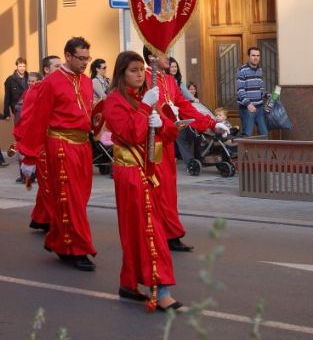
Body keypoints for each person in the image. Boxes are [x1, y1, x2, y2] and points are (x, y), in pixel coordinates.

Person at [104, 51, 182, 311]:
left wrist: (160, 122)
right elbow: (131, 134)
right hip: (130, 171)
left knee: (137, 228)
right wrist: (147, 109)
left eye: (141, 69)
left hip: (150, 169)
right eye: (133, 70)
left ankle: (128, 283)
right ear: (121, 73)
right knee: (150, 229)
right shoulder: (114, 101)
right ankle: (161, 291)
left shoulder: (145, 96)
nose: (140, 74)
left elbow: (171, 132)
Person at [16, 37, 96, 271]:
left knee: (79, 198)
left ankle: (60, 242)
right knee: (70, 199)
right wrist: (29, 156)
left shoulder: (88, 82)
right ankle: (79, 249)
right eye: (80, 58)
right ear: (68, 56)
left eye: (87, 58)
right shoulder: (51, 83)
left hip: (83, 146)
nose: (84, 63)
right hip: (60, 145)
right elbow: (38, 119)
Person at [143, 46, 229, 252]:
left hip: (167, 141)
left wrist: (210, 123)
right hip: (151, 143)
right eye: (164, 53)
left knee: (169, 190)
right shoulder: (142, 78)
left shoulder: (170, 80)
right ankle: (155, 233)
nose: (169, 57)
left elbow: (185, 107)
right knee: (156, 189)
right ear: (152, 57)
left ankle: (171, 233)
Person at [14, 56, 62, 229]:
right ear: (46, 70)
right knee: (50, 185)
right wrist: (28, 151)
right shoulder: (37, 89)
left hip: (61, 145)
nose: (62, 68)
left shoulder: (64, 86)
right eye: (57, 66)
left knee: (51, 185)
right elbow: (27, 120)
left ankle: (41, 217)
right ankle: (53, 222)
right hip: (42, 144)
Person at [236, 47, 269, 137]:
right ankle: (239, 151)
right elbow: (240, 90)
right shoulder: (242, 70)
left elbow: (260, 88)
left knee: (264, 134)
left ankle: (265, 152)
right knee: (247, 135)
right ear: (249, 56)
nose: (256, 58)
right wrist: (248, 104)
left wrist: (267, 94)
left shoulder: (259, 70)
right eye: (253, 55)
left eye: (258, 55)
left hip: (259, 108)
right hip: (247, 109)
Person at [3, 57, 28, 122]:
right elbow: (7, 98)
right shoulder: (10, 80)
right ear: (16, 66)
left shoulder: (30, 78)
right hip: (17, 110)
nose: (22, 68)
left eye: (24, 66)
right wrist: (7, 114)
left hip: (29, 108)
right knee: (19, 130)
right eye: (20, 66)